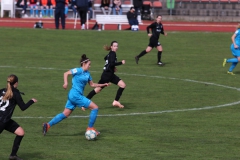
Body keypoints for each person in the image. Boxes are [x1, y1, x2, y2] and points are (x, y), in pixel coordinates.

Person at [42, 54, 109, 136]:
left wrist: (103, 85)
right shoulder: (78, 70)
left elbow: (92, 85)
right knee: (95, 108)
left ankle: (47, 125)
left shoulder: (88, 74)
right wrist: (65, 83)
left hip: (74, 96)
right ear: (84, 64)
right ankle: (90, 128)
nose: (90, 66)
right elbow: (66, 73)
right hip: (75, 95)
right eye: (89, 64)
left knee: (65, 113)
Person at [0, 74, 37, 160]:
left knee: (20, 132)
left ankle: (13, 155)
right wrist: (32, 101)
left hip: (6, 120)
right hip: (2, 121)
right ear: (16, 83)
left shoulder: (1, 90)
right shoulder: (16, 93)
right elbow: (23, 107)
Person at [86, 41, 126, 109]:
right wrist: (121, 63)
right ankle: (85, 103)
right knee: (97, 89)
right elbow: (112, 63)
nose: (116, 47)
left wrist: (112, 67)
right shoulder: (112, 54)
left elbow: (106, 59)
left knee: (123, 85)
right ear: (111, 47)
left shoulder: (110, 53)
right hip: (107, 75)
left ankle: (116, 101)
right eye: (114, 46)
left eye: (117, 46)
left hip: (110, 75)